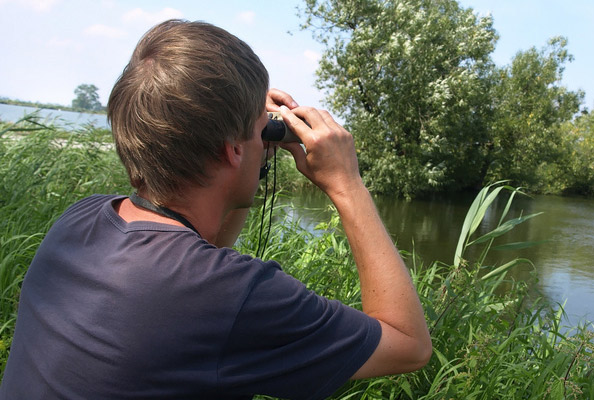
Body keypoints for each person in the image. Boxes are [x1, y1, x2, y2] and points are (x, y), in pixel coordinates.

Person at [0, 19, 431, 399]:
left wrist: (251, 147)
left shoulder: (80, 220)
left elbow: (193, 245)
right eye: (259, 134)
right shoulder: (233, 294)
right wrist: (346, 183)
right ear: (230, 151)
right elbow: (408, 345)